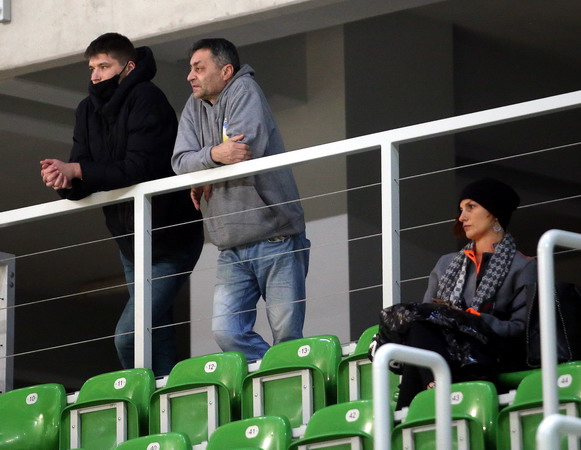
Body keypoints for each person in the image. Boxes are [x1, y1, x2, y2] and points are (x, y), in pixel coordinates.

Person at [39, 32, 204, 376]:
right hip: (130, 244)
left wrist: (77, 170)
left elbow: (138, 168)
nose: (96, 75)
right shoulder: (86, 110)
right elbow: (85, 174)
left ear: (128, 67)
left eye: (104, 66)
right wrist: (64, 181)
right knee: (156, 334)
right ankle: (167, 403)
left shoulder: (147, 98)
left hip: (172, 238)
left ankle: (140, 398)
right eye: (92, 68)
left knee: (129, 337)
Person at [172, 38, 310, 361]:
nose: (190, 76)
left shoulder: (244, 90)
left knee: (287, 336)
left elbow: (243, 152)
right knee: (226, 331)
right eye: (190, 69)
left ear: (226, 71)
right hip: (230, 246)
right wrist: (213, 156)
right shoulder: (193, 106)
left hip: (277, 237)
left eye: (198, 68)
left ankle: (285, 377)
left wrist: (204, 170)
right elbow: (180, 161)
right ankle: (274, 371)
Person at [372, 178, 537, 410]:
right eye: (461, 210)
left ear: (494, 214)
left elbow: (521, 329)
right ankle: (436, 388)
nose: (462, 217)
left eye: (471, 207)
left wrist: (470, 319)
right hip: (448, 352)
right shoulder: (446, 264)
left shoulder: (523, 267)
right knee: (419, 326)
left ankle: (413, 410)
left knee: (420, 336)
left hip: (491, 353)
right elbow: (426, 319)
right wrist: (452, 319)